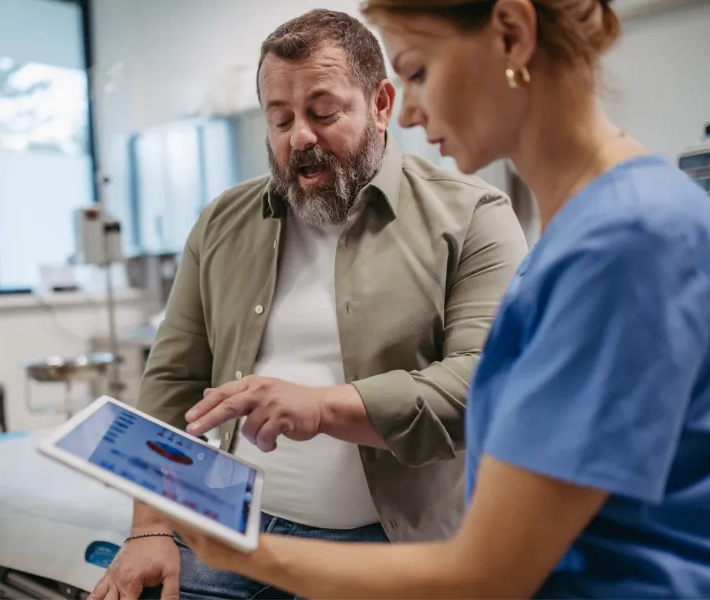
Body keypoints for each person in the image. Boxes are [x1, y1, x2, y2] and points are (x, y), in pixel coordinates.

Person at [165, 0, 710, 598]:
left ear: (511, 35)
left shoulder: (626, 240)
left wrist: (242, 550)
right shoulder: (588, 232)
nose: (414, 110)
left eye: (419, 71)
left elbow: (489, 571)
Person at [90, 8, 528, 600]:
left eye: (323, 113)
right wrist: (148, 526)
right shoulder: (225, 220)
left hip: (383, 545)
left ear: (380, 103)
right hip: (222, 530)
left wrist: (322, 407)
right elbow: (171, 380)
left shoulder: (474, 216)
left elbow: (482, 386)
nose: (299, 137)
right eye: (280, 119)